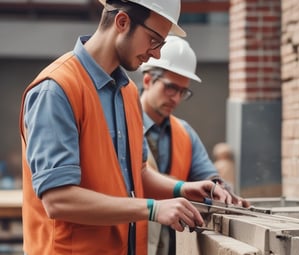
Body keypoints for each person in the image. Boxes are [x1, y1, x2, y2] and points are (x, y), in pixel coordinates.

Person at [19, 1, 232, 255]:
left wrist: (181, 188)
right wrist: (153, 209)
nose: (157, 54)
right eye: (154, 40)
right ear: (122, 22)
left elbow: (137, 173)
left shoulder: (127, 92)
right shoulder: (57, 90)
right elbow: (58, 200)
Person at [139, 35, 250, 255]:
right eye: (171, 88)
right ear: (148, 81)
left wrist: (221, 190)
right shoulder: (122, 123)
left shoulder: (185, 133)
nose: (176, 99)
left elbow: (207, 175)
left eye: (183, 92)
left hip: (171, 246)